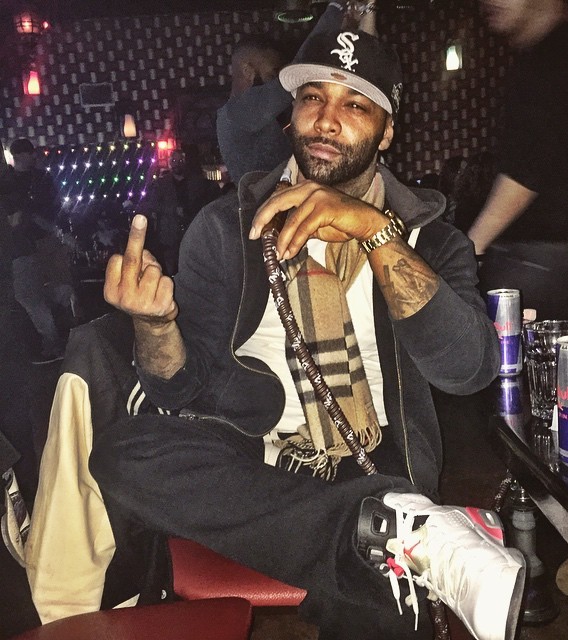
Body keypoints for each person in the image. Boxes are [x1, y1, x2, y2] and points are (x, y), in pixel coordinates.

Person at [90, 30, 524, 640]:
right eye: (312, 97)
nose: (326, 119)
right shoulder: (226, 228)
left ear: (386, 131)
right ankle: (396, 531)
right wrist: (155, 326)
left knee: (377, 599)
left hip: (373, 459)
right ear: (291, 112)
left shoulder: (430, 240)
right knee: (124, 452)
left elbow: (468, 370)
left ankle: (382, 527)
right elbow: (179, 391)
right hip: (253, 454)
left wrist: (376, 234)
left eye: (355, 104)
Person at [467, 0, 568, 320]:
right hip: (564, 248)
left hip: (535, 254)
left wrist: (469, 248)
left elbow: (527, 172)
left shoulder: (547, 62)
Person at [216, 0, 376, 185]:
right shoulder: (239, 111)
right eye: (273, 73)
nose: (276, 79)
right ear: (247, 70)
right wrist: (336, 8)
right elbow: (303, 66)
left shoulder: (247, 115)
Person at [0, 138, 67, 364]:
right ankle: (61, 300)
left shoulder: (36, 179)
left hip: (31, 244)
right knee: (30, 294)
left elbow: (24, 216)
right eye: (30, 153)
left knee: (28, 295)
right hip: (25, 245)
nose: (34, 156)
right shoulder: (11, 182)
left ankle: (53, 343)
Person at [139, 149, 212, 275]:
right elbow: (153, 205)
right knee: (170, 269)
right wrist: (173, 210)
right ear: (169, 163)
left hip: (191, 232)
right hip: (169, 234)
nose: (177, 163)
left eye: (180, 160)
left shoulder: (195, 183)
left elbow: (202, 204)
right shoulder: (161, 184)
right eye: (174, 160)